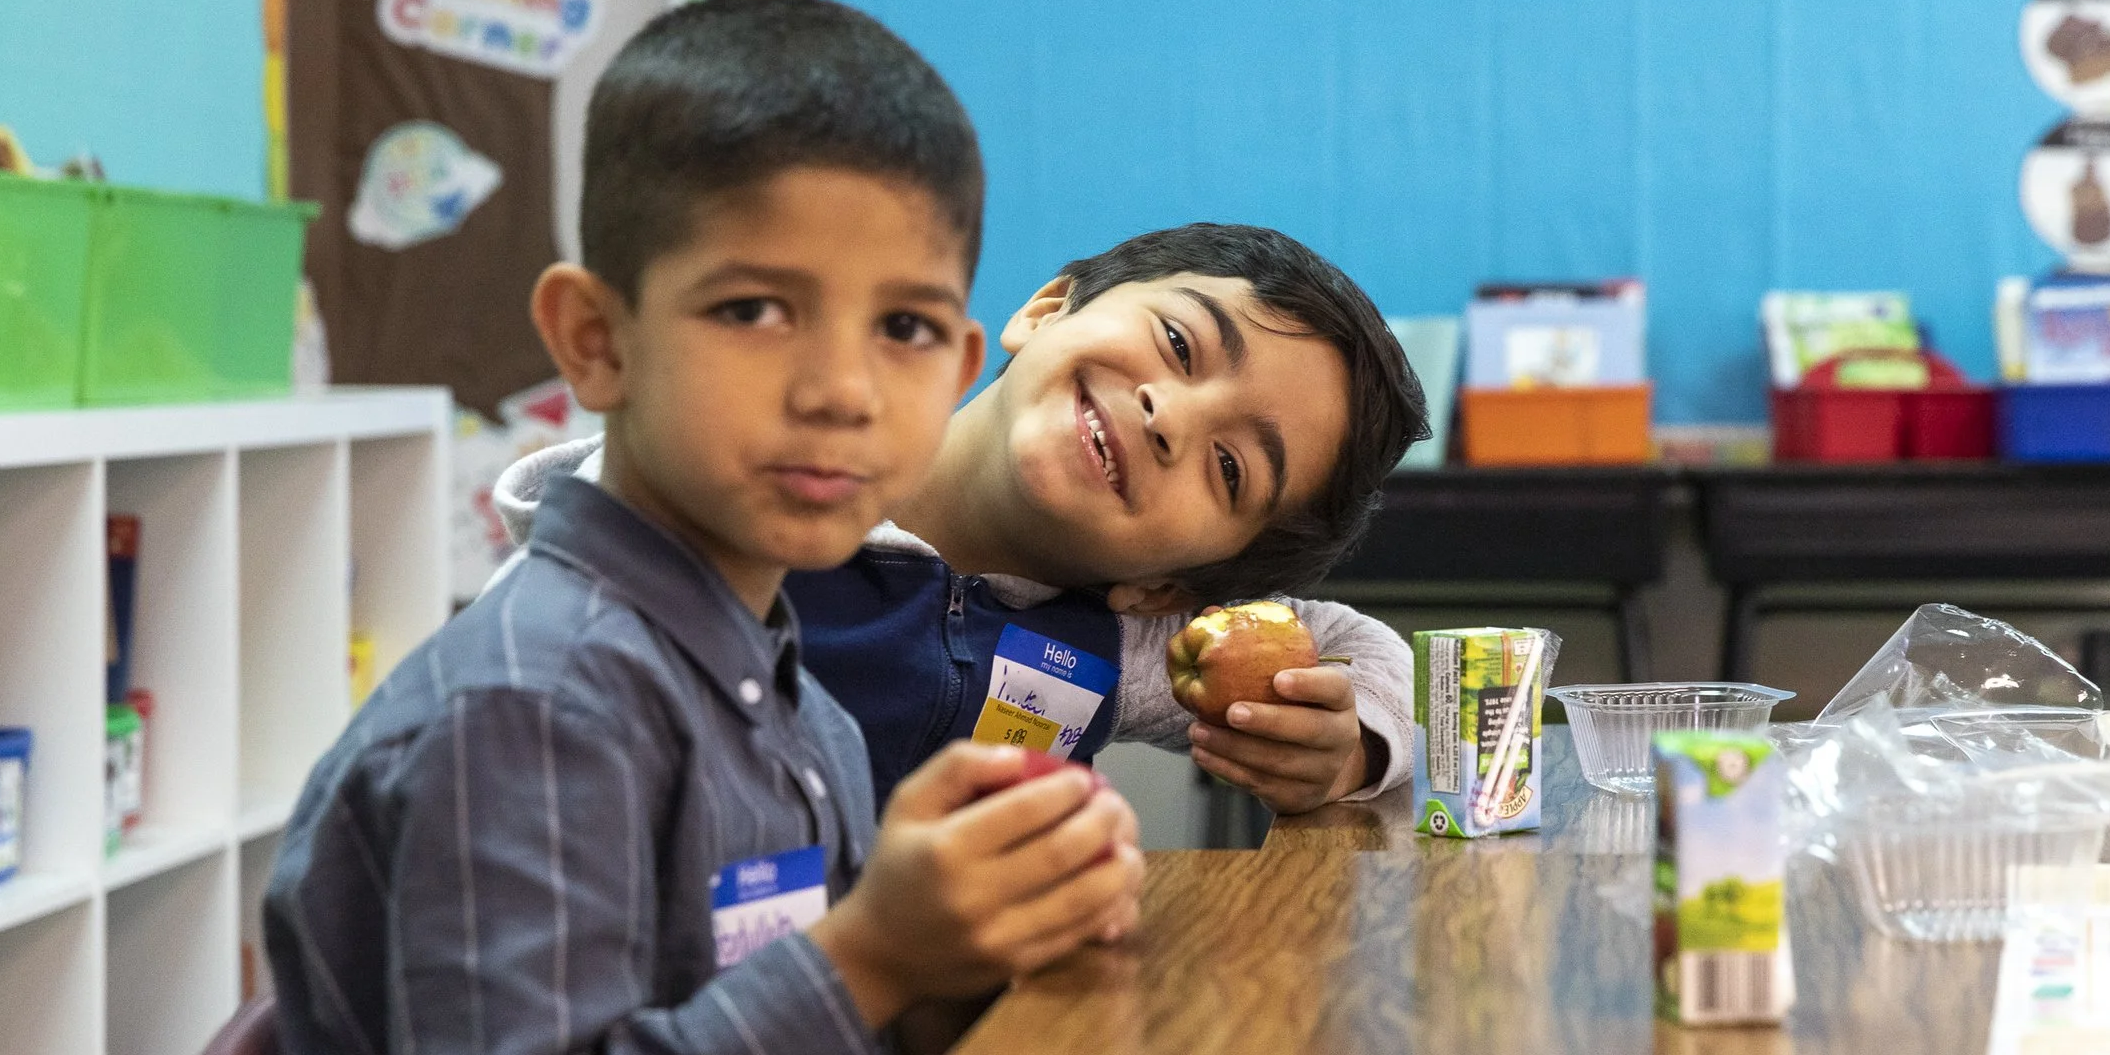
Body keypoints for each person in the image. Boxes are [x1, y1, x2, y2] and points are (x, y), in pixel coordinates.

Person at [264, 0, 1143, 1055]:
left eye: (905, 327)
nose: (841, 388)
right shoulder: (534, 708)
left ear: (963, 365)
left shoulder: (795, 705)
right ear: (594, 338)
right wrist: (873, 955)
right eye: (753, 309)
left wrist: (972, 957)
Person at [495, 222, 1432, 821]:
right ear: (1048, 308)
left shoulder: (1126, 649)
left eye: (1230, 468)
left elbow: (1364, 651)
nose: (1170, 417)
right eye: (1179, 343)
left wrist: (1350, 747)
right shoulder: (736, 529)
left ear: (1166, 588)